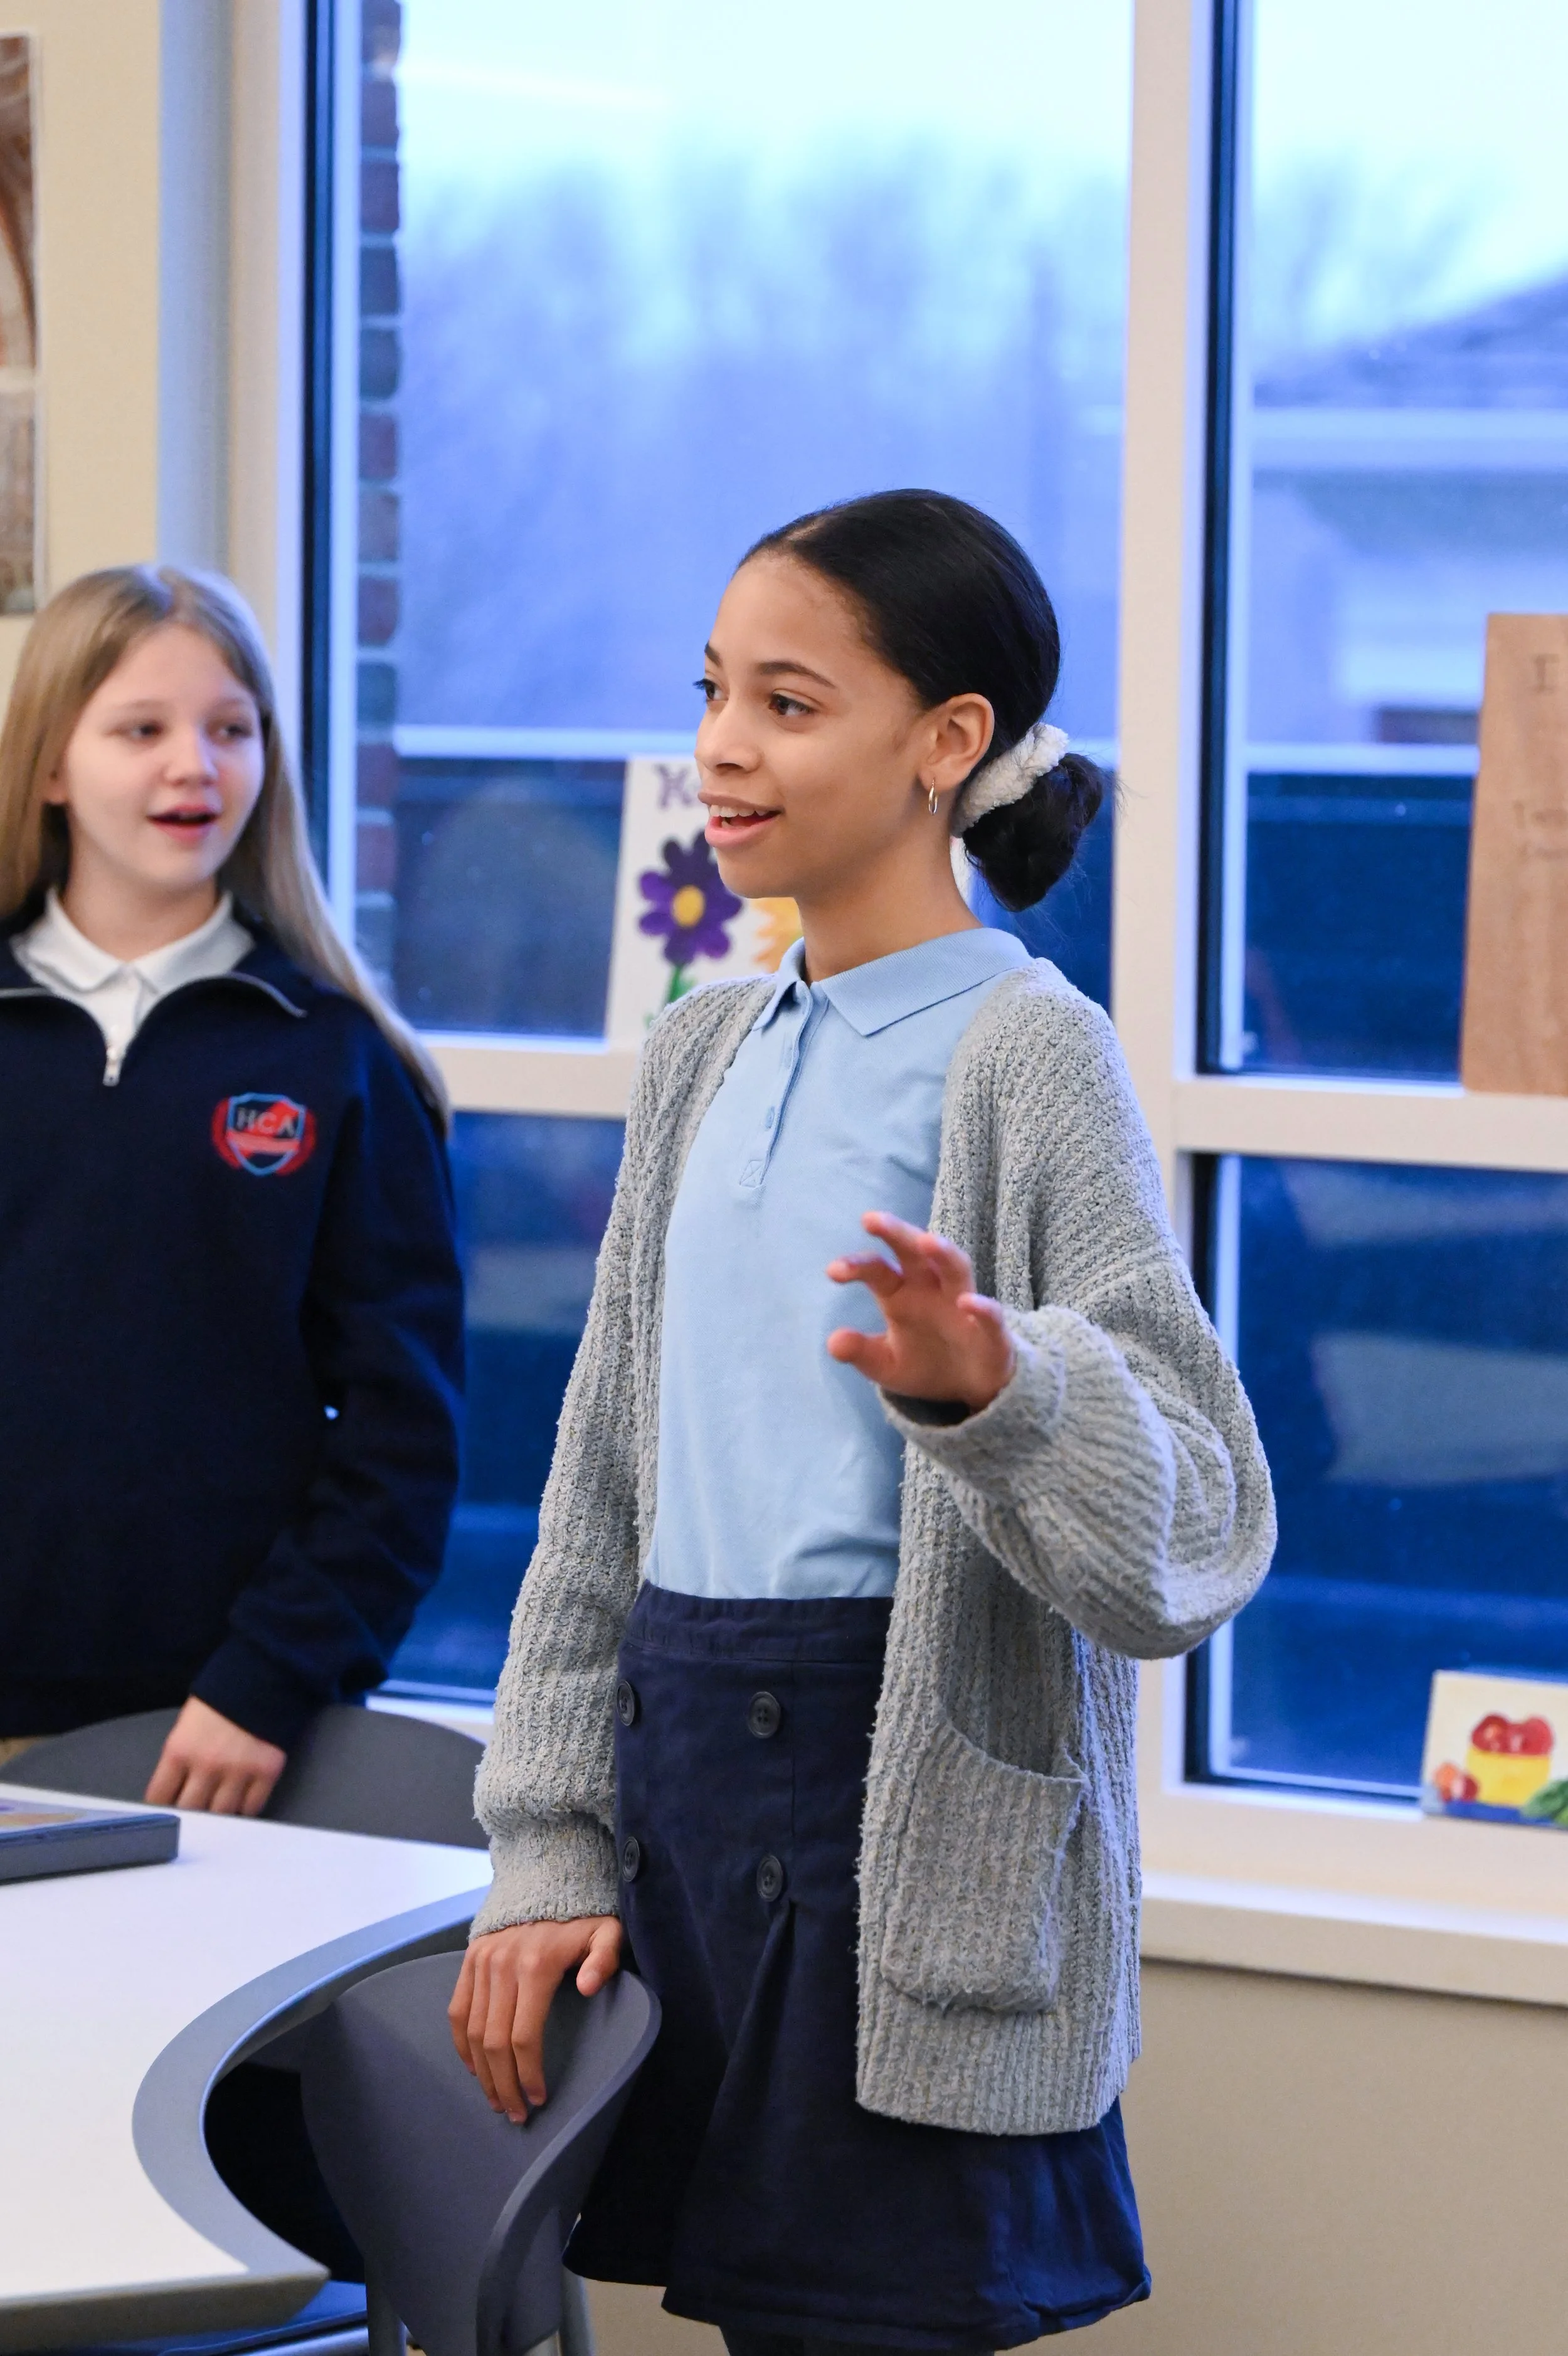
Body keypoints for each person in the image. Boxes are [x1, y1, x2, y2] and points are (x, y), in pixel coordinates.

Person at [452, 491, 1276, 2351]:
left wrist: (1000, 1386)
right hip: (683, 1804)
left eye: (791, 702)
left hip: (890, 1824)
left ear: (946, 740)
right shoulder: (697, 1054)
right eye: (712, 691)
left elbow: (1202, 1525)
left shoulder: (1027, 1049)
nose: (722, 749)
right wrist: (548, 1846)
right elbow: (595, 1497)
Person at [0, 564, 464, 1815]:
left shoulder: (335, 1058)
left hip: (224, 1737)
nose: (192, 767)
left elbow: (400, 1441)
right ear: (50, 764)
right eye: (140, 730)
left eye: (229, 728)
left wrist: (268, 1678)